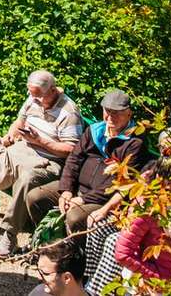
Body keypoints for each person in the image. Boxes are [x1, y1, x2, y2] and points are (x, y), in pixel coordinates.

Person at [0, 71, 83, 256]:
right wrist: (10, 135)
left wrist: (41, 141)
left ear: (53, 90)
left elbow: (71, 150)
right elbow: (19, 121)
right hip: (24, 148)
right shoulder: (33, 99)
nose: (34, 99)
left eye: (38, 96)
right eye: (31, 94)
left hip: (50, 159)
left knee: (27, 179)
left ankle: (10, 234)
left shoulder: (69, 111)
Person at [47, 90, 153, 236]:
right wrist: (66, 190)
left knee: (75, 217)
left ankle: (74, 255)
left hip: (101, 199)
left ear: (129, 114)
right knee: (36, 197)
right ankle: (49, 244)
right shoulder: (95, 131)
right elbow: (74, 159)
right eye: (107, 111)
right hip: (77, 188)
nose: (110, 117)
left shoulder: (135, 143)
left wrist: (83, 199)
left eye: (116, 113)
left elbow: (119, 182)